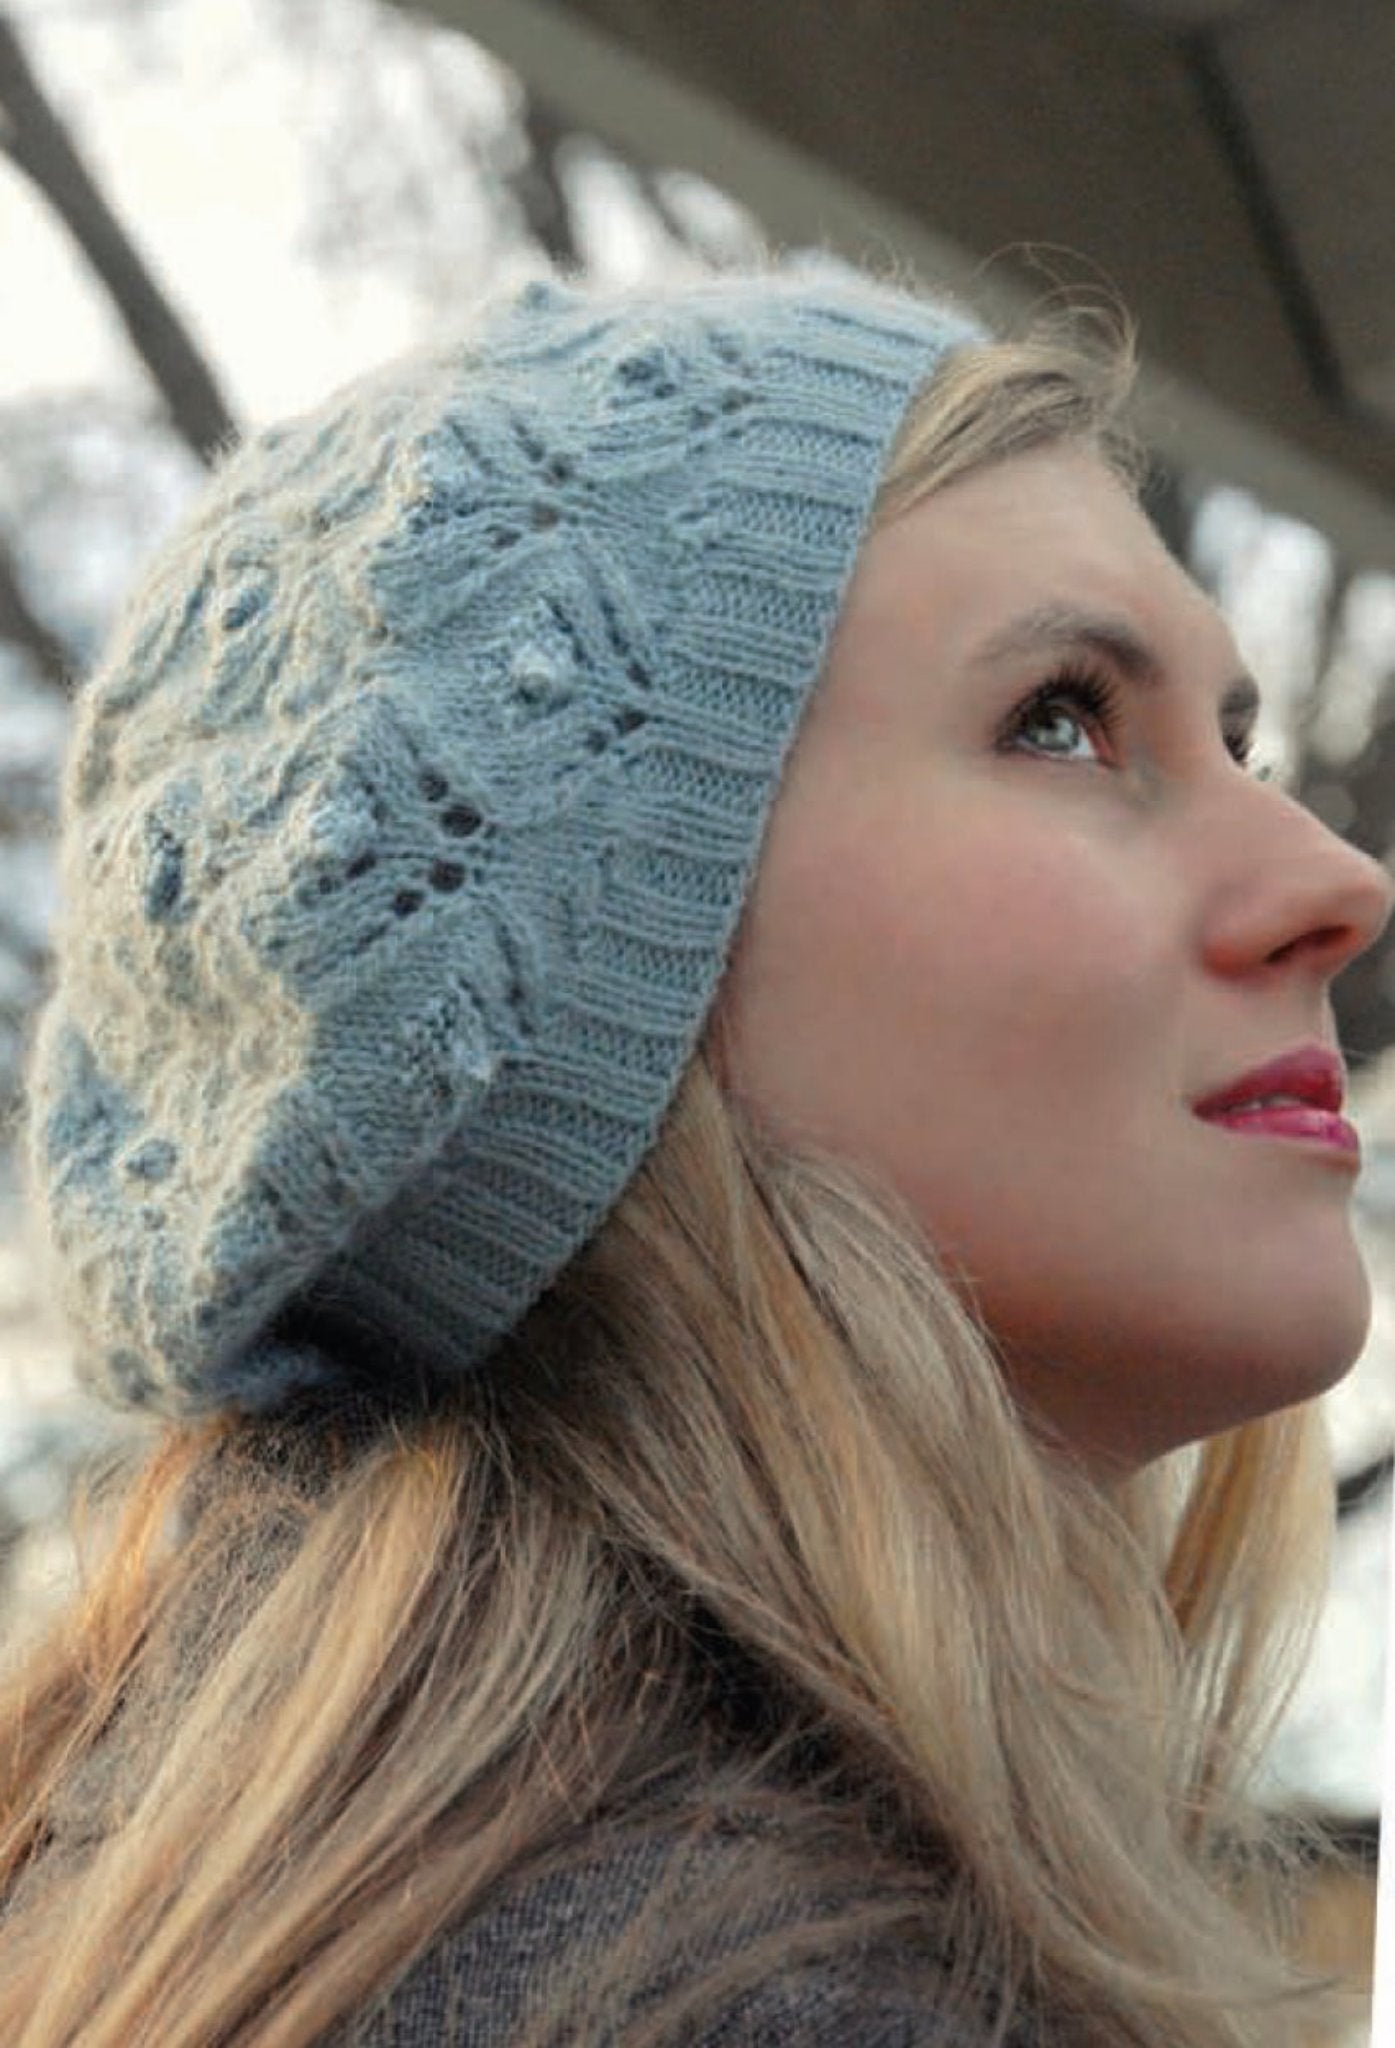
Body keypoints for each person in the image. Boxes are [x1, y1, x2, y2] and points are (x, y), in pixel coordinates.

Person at [0, 260, 1388, 2048]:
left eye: (1240, 738)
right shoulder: (742, 1998)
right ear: (597, 978)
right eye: (1062, 718)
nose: (1336, 887)